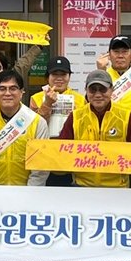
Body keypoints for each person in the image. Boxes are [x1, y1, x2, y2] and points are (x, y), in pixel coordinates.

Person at [57, 69, 131, 188]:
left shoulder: (127, 117)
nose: (98, 95)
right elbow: (60, 151)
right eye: (93, 90)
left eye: (103, 89)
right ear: (86, 91)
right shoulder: (75, 117)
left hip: (118, 189)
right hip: (82, 187)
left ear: (112, 90)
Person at [30, 56, 84, 186]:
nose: (59, 78)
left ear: (69, 76)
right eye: (55, 74)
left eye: (63, 74)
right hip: (44, 155)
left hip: (71, 156)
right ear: (47, 77)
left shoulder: (80, 99)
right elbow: (33, 128)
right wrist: (47, 104)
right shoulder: (36, 98)